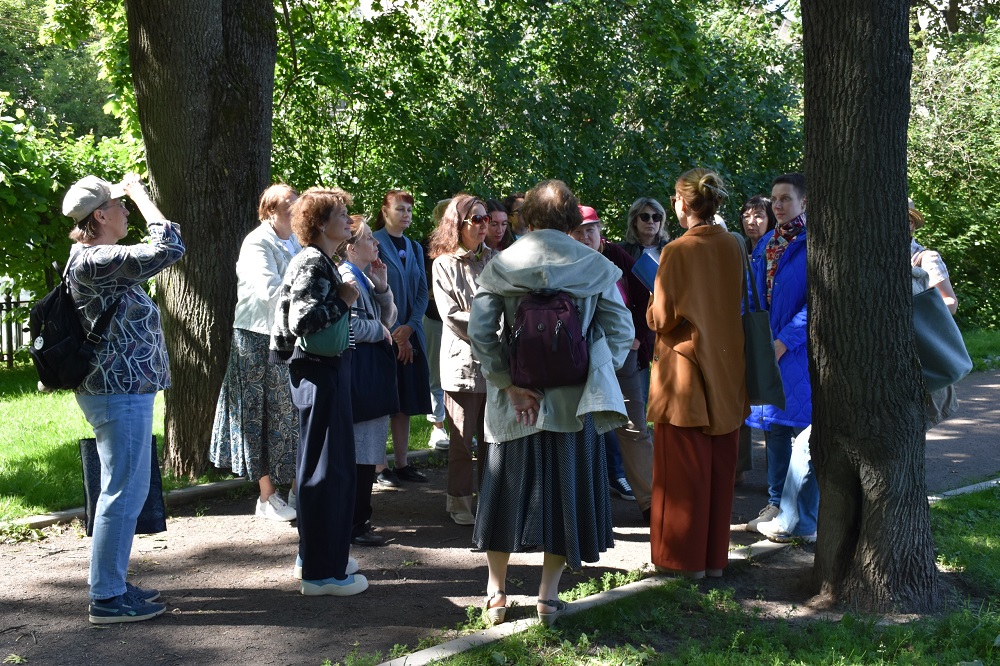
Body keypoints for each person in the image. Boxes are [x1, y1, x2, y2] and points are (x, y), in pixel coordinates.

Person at [469, 180, 633, 627]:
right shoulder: (595, 266)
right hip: (573, 405)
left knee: (504, 494)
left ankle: (497, 594)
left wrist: (507, 383)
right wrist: (596, 369)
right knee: (567, 497)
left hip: (515, 405)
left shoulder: (501, 265)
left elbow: (482, 334)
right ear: (573, 222)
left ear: (527, 219)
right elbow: (620, 331)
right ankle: (547, 598)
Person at [63, 173, 185, 623]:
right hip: (117, 392)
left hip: (122, 390)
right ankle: (107, 598)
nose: (127, 210)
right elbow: (170, 246)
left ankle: (112, 584)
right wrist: (141, 192)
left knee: (126, 492)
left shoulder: (98, 259)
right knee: (121, 493)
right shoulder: (97, 260)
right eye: (119, 204)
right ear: (100, 215)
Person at [646, 168, 747, 578]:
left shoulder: (676, 251)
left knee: (681, 470)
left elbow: (662, 318)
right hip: (726, 367)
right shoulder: (734, 245)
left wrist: (651, 300)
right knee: (720, 469)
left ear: (682, 204)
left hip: (684, 372)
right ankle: (713, 561)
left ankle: (681, 562)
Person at [271, 186, 368, 596]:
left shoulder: (320, 258)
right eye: (341, 214)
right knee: (325, 472)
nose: (348, 220)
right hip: (318, 373)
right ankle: (321, 574)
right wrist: (345, 300)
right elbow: (303, 319)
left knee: (324, 468)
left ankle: (316, 556)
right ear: (321, 224)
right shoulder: (312, 260)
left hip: (322, 373)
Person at [210, 184, 301, 522]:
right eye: (288, 203)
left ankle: (296, 489)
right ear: (269, 210)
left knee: (289, 415)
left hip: (286, 337)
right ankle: (266, 495)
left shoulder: (294, 240)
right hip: (256, 339)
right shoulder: (257, 242)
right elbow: (271, 290)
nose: (295, 208)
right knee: (258, 416)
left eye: (297, 202)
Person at [745, 173, 818, 544]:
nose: (777, 205)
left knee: (800, 429)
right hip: (766, 345)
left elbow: (817, 303)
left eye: (785, 199)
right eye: (774, 199)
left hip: (800, 351)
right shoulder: (767, 244)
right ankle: (775, 505)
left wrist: (785, 340)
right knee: (773, 426)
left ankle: (801, 513)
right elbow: (754, 297)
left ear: (803, 203)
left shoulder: (814, 243)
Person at [569, 205, 654, 518]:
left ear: (600, 229)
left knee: (634, 427)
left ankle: (651, 502)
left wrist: (638, 338)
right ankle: (584, 507)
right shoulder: (564, 261)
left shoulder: (618, 257)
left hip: (623, 357)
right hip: (581, 359)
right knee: (582, 429)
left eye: (590, 228)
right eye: (578, 230)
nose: (585, 235)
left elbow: (649, 295)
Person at [429, 194, 496, 525]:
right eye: (477, 220)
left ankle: (490, 498)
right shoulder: (443, 264)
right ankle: (458, 501)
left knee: (491, 440)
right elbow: (452, 316)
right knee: (461, 441)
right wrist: (492, 322)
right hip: (462, 365)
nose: (484, 226)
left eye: (487, 219)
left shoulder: (496, 260)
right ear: (458, 225)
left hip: (495, 365)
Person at [339, 216, 398, 547]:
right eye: (369, 240)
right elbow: (351, 326)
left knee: (369, 447)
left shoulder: (365, 277)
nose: (376, 245)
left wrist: (383, 287)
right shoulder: (348, 277)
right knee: (361, 449)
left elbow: (390, 317)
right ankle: (355, 523)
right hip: (361, 371)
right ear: (351, 247)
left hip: (372, 369)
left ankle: (360, 519)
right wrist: (382, 331)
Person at [372, 190, 431, 486]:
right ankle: (379, 467)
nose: (406, 214)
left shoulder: (415, 246)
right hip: (385, 334)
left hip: (411, 331)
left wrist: (410, 327)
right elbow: (377, 290)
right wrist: (397, 332)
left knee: (405, 400)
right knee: (385, 400)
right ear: (385, 212)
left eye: (409, 210)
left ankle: (403, 462)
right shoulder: (374, 243)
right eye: (399, 209)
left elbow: (422, 291)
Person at [733, 195, 777, 485]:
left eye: (759, 215)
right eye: (747, 216)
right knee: (741, 399)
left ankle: (778, 478)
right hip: (739, 330)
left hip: (765, 331)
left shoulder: (774, 247)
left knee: (770, 405)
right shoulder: (737, 247)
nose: (752, 221)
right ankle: (738, 468)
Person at [423, 199, 452, 452]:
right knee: (437, 373)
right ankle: (438, 428)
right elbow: (426, 288)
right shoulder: (427, 247)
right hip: (434, 317)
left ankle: (458, 428)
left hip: (461, 321)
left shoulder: (469, 246)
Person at [909, 205, 958, 315]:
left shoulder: (926, 257)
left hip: (913, 329)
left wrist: (917, 310)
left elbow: (950, 302)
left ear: (912, 225)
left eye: (907, 220)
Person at [619, 197, 670, 263]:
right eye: (645, 217)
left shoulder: (671, 249)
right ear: (634, 221)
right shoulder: (622, 251)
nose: (651, 221)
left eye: (656, 217)